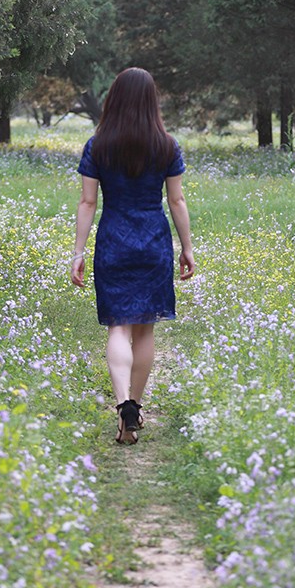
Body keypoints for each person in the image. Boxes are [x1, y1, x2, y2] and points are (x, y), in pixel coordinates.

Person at [70, 67, 195, 445]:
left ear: (114, 100)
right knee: (145, 329)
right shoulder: (167, 146)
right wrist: (187, 247)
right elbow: (176, 199)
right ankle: (134, 408)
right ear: (151, 101)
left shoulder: (98, 145)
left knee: (118, 327)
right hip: (154, 242)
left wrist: (78, 251)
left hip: (114, 242)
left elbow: (88, 201)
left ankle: (123, 402)